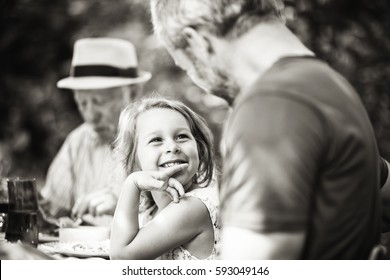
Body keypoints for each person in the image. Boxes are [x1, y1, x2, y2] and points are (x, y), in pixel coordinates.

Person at [150, 0, 390, 259]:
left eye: (187, 67)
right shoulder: (325, 83)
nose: (200, 83)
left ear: (197, 42)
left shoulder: (270, 105)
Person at [39, 38, 151, 222]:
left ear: (133, 92)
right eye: (82, 103)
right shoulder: (78, 141)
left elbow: (185, 213)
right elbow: (53, 210)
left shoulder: (161, 138)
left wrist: (125, 205)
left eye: (99, 102)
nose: (90, 116)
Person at [110, 97, 219, 260]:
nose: (173, 147)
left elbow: (121, 258)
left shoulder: (194, 207)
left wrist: (131, 184)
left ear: (200, 149)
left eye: (181, 136)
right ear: (134, 159)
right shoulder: (150, 211)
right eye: (156, 140)